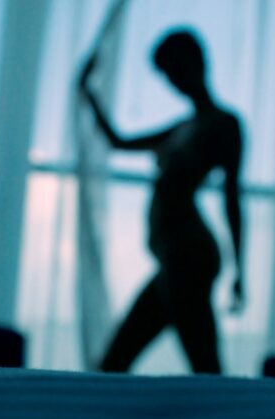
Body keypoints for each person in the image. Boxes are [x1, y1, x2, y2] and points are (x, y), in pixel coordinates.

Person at [79, 28, 244, 374]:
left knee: (203, 368)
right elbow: (118, 142)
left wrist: (241, 271)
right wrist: (88, 92)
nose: (173, 82)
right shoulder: (184, 126)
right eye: (168, 75)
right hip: (175, 260)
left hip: (189, 258)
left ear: (197, 64)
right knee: (116, 365)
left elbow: (232, 198)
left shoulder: (224, 125)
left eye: (176, 70)